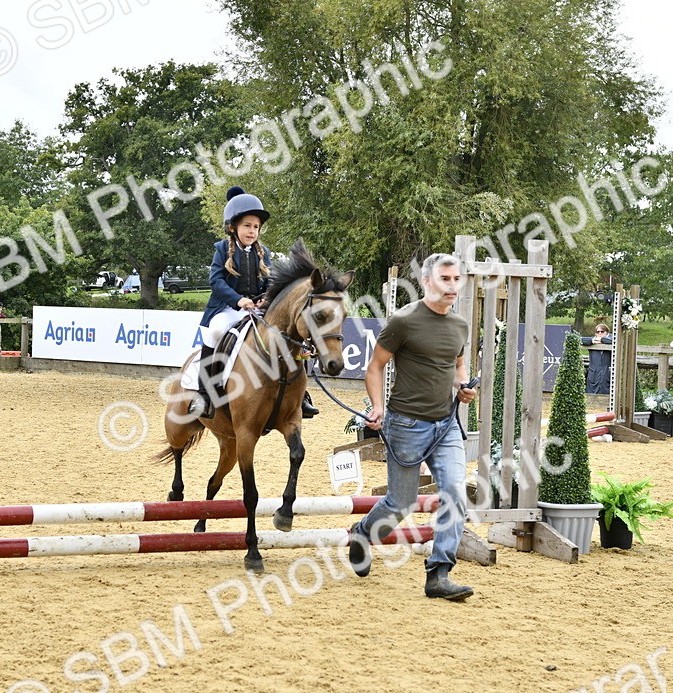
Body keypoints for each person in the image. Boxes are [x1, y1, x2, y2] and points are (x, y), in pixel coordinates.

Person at [347, 253, 479, 601]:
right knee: (401, 502)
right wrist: (377, 407)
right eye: (445, 279)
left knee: (454, 492)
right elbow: (375, 367)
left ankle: (439, 573)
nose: (453, 285)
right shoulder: (403, 321)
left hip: (446, 425)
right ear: (426, 282)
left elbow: (457, 366)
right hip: (405, 424)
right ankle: (362, 534)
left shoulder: (460, 325)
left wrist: (463, 387)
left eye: (456, 279)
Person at [189, 187, 321, 420]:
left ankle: (301, 395)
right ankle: (205, 395)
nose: (252, 231)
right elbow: (216, 281)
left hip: (257, 309)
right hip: (227, 308)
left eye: (256, 227)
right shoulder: (221, 249)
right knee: (216, 331)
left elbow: (271, 281)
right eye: (247, 226)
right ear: (233, 227)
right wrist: (239, 300)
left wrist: (266, 298)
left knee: (288, 334)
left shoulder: (264, 252)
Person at [581, 323, 613, 394]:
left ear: (607, 332)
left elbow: (613, 341)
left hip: (606, 375)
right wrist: (593, 341)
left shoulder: (611, 339)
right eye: (598, 332)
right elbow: (580, 340)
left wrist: (601, 340)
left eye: (602, 331)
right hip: (594, 376)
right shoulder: (593, 340)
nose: (600, 333)